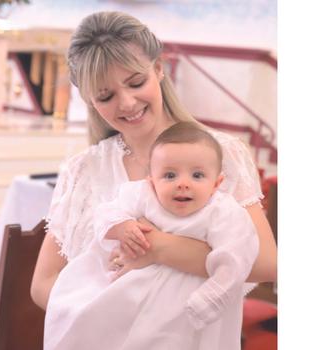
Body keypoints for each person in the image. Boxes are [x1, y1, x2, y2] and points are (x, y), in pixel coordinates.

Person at [31, 8, 276, 345]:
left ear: (158, 69)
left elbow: (264, 263)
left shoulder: (221, 154)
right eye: (106, 96)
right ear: (89, 100)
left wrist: (158, 248)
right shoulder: (85, 171)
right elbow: (44, 281)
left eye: (136, 83)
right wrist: (108, 319)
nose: (128, 103)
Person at [43, 122, 259, 349]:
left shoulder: (223, 212)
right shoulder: (143, 195)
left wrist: (211, 298)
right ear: (152, 180)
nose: (183, 184)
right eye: (169, 175)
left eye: (197, 175)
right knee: (94, 322)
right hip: (134, 294)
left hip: (186, 305)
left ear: (217, 183)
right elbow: (106, 212)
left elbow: (237, 257)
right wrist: (123, 226)